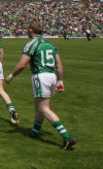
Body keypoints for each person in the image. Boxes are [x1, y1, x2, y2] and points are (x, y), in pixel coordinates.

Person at [6, 21, 77, 150]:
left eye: (28, 29)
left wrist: (11, 75)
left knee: (44, 108)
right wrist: (60, 81)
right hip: (52, 76)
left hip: (40, 76)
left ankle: (67, 136)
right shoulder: (51, 44)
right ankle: (34, 132)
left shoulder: (31, 44)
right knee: (40, 106)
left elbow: (22, 64)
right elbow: (59, 64)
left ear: (31, 30)